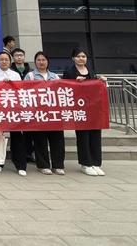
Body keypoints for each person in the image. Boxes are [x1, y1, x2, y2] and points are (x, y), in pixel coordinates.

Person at [63, 48, 107, 177]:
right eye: (78, 56)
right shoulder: (69, 71)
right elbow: (64, 87)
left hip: (93, 108)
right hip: (79, 109)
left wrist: (101, 81)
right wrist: (75, 82)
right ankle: (85, 163)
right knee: (83, 136)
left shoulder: (91, 70)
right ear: (73, 58)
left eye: (83, 56)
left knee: (95, 135)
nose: (81, 58)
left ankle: (96, 163)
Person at [25, 51, 65, 175]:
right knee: (40, 140)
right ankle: (43, 165)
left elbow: (62, 92)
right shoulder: (30, 76)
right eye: (38, 60)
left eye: (43, 60)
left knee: (57, 140)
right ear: (35, 62)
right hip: (38, 114)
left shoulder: (55, 77)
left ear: (48, 62)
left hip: (54, 114)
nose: (41, 62)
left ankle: (58, 165)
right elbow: (25, 93)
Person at [0, 51, 26, 176]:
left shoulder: (15, 75)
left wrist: (11, 84)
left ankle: (20, 165)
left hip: (13, 109)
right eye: (1, 59)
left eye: (6, 59)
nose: (4, 61)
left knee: (17, 137)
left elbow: (21, 90)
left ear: (10, 61)